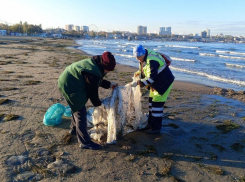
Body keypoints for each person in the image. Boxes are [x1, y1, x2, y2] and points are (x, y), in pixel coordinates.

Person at [58, 52, 118, 150]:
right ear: (104, 65)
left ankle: (73, 129)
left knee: (76, 107)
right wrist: (99, 104)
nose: (108, 72)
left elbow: (96, 80)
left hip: (69, 80)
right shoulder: (93, 72)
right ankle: (84, 142)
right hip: (69, 85)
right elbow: (92, 91)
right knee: (81, 113)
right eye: (108, 70)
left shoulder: (96, 63)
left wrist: (110, 84)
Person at [131, 45, 174, 134]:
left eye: (139, 57)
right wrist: (138, 73)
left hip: (164, 82)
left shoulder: (152, 61)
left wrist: (139, 83)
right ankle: (150, 124)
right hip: (156, 82)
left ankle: (156, 129)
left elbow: (151, 79)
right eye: (136, 57)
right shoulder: (144, 57)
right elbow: (144, 69)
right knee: (151, 103)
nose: (138, 59)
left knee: (156, 106)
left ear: (143, 54)